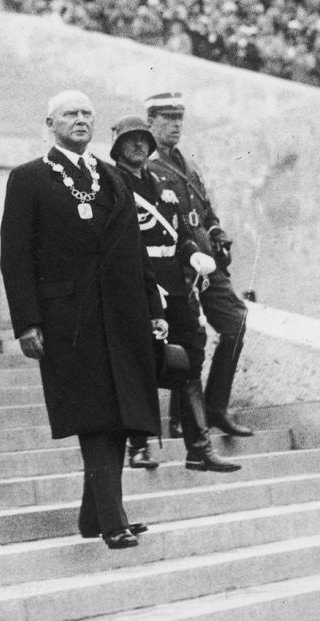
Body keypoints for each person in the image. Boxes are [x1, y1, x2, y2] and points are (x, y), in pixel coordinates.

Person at [0, 90, 165, 550]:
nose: (80, 120)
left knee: (117, 413)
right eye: (70, 114)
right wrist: (27, 323)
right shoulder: (29, 178)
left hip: (122, 313)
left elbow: (136, 249)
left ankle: (95, 516)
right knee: (96, 416)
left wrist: (154, 308)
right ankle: (113, 518)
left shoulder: (111, 177)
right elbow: (15, 258)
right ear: (50, 123)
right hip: (67, 318)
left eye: (87, 114)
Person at [110, 116, 241, 473]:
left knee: (190, 361)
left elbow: (180, 232)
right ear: (118, 147)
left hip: (175, 286)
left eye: (142, 141)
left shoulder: (160, 184)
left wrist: (191, 253)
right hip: (138, 285)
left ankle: (199, 449)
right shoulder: (113, 183)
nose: (138, 146)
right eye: (130, 141)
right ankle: (138, 446)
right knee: (139, 363)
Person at [145, 92, 253, 438]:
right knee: (186, 337)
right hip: (176, 267)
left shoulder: (186, 163)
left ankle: (216, 407)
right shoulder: (146, 166)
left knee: (235, 324)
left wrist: (217, 231)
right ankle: (180, 419)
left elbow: (205, 211)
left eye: (179, 117)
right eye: (167, 117)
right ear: (150, 121)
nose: (175, 124)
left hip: (208, 265)